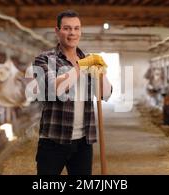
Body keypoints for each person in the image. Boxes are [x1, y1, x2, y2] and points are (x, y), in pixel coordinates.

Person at [32, 10, 112, 175]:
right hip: (53, 141)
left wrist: (102, 73)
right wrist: (82, 66)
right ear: (57, 31)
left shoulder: (88, 59)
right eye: (67, 28)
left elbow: (105, 95)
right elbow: (55, 89)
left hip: (83, 143)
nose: (72, 33)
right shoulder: (44, 59)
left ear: (80, 31)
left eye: (76, 28)